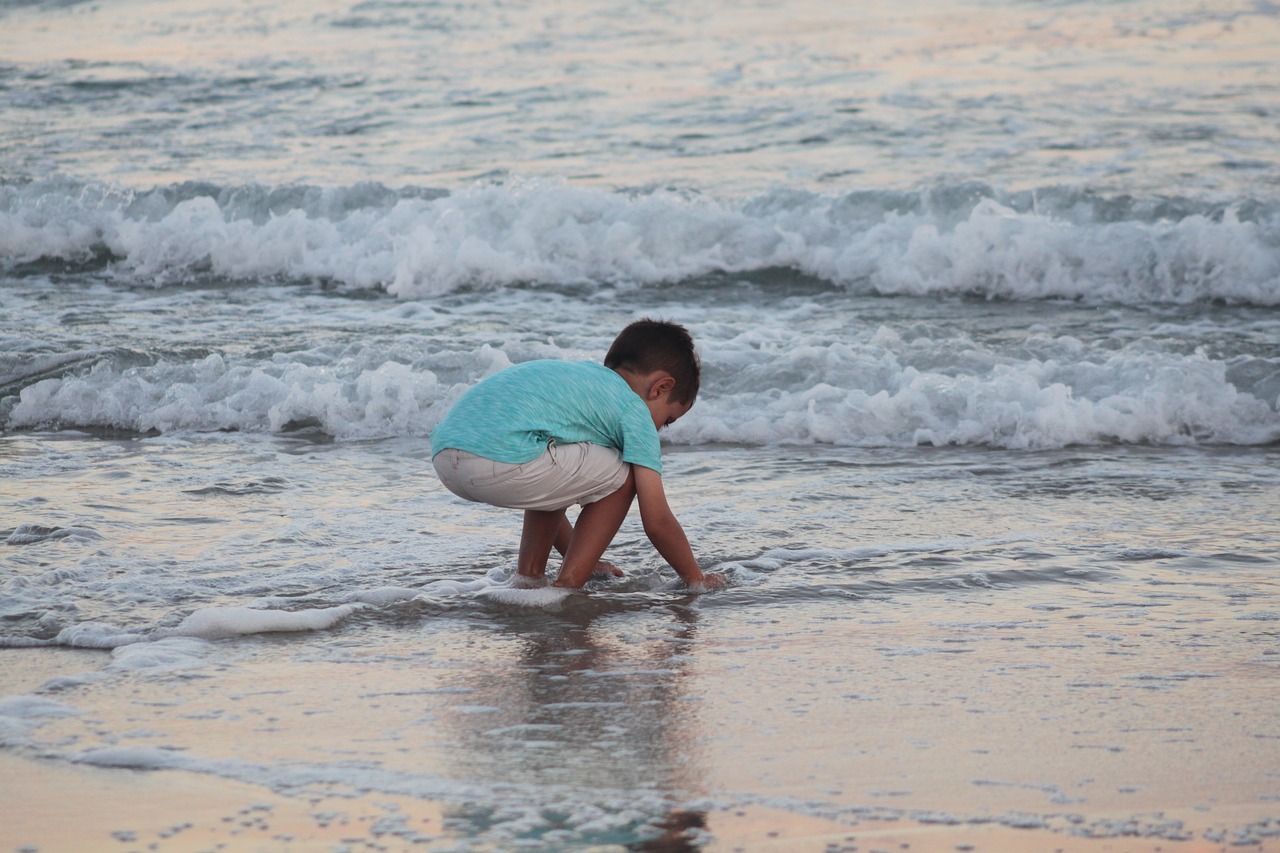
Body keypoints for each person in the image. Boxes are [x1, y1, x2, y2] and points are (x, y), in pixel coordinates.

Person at [431, 319, 726, 591]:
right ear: (661, 388)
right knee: (625, 475)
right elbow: (657, 521)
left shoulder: (581, 383)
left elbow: (553, 489)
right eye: (667, 420)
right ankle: (568, 585)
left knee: (554, 461)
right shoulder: (632, 407)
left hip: (446, 457)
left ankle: (528, 578)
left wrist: (584, 553)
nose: (660, 430)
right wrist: (695, 578)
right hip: (501, 460)